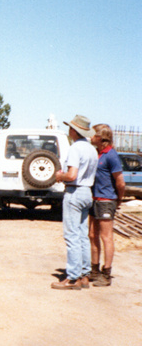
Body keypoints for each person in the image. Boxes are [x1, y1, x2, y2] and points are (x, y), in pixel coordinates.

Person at [51, 115, 98, 290]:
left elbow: (71, 175)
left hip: (75, 191)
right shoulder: (92, 150)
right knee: (82, 234)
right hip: (87, 191)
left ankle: (72, 277)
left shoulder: (75, 149)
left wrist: (59, 176)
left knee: (71, 235)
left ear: (73, 131)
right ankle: (85, 275)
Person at [88, 124, 125, 287]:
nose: (91, 137)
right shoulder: (97, 154)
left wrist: (118, 200)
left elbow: (120, 182)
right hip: (94, 199)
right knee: (92, 235)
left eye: (93, 135)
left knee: (106, 236)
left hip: (106, 200)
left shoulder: (111, 155)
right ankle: (94, 270)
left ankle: (106, 272)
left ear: (101, 138)